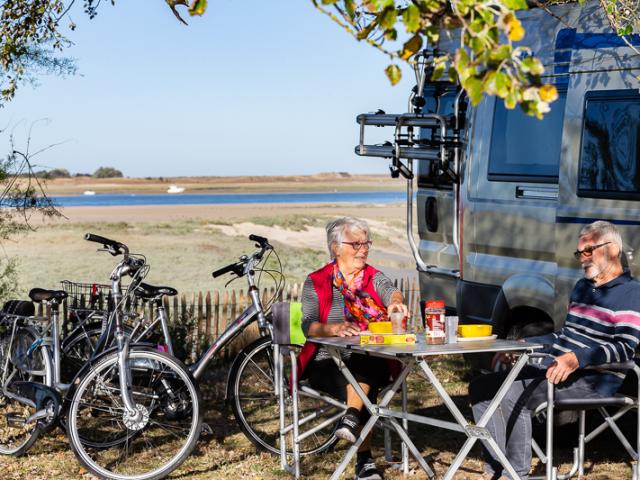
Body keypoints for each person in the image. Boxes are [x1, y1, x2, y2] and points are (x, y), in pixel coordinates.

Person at [469, 220, 640, 480]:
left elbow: (625, 348)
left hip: (595, 379)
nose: (582, 258)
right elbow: (565, 335)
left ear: (613, 250)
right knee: (482, 388)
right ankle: (496, 466)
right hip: (554, 368)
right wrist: (522, 347)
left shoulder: (632, 294)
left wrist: (576, 359)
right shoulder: (583, 288)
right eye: (579, 253)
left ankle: (515, 474)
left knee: (514, 394)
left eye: (588, 251)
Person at [298, 216, 409, 480]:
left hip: (368, 360)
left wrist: (394, 303)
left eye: (366, 243)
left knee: (365, 364)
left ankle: (351, 418)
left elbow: (390, 291)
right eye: (356, 244)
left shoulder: (373, 277)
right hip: (327, 363)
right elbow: (308, 326)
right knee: (364, 380)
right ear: (336, 247)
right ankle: (365, 461)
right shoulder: (317, 281)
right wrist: (334, 329)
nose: (363, 249)